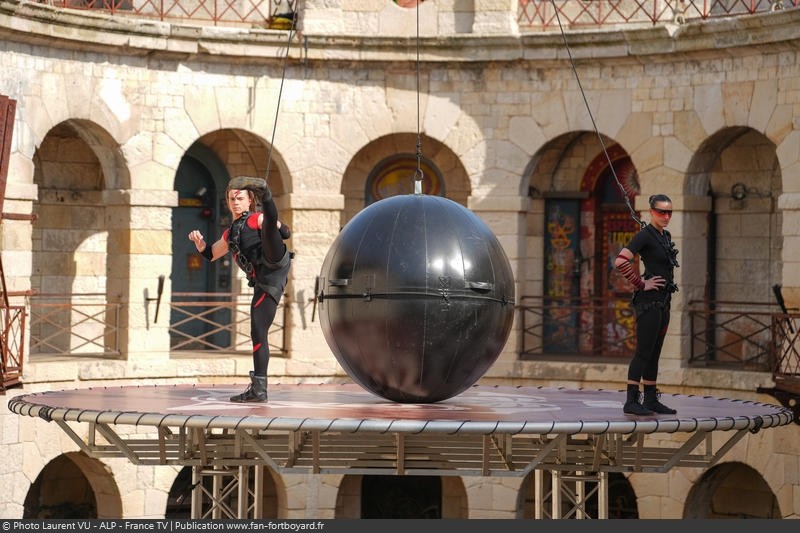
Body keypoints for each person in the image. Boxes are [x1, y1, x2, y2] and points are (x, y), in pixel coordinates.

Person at [188, 176, 292, 403]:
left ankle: (267, 193)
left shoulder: (257, 217)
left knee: (267, 230)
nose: (235, 202)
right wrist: (201, 245)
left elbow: (285, 232)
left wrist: (275, 224)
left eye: (240, 198)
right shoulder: (230, 233)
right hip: (264, 282)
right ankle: (259, 389)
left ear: (249, 200)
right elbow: (212, 255)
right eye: (231, 198)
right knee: (257, 331)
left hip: (274, 262)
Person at [613, 194, 679, 416]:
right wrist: (641, 283)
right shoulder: (645, 236)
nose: (666, 216)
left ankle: (651, 399)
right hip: (648, 303)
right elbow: (621, 261)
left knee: (655, 352)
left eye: (669, 212)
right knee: (643, 352)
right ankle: (632, 400)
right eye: (661, 212)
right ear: (651, 212)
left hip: (663, 302)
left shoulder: (665, 236)